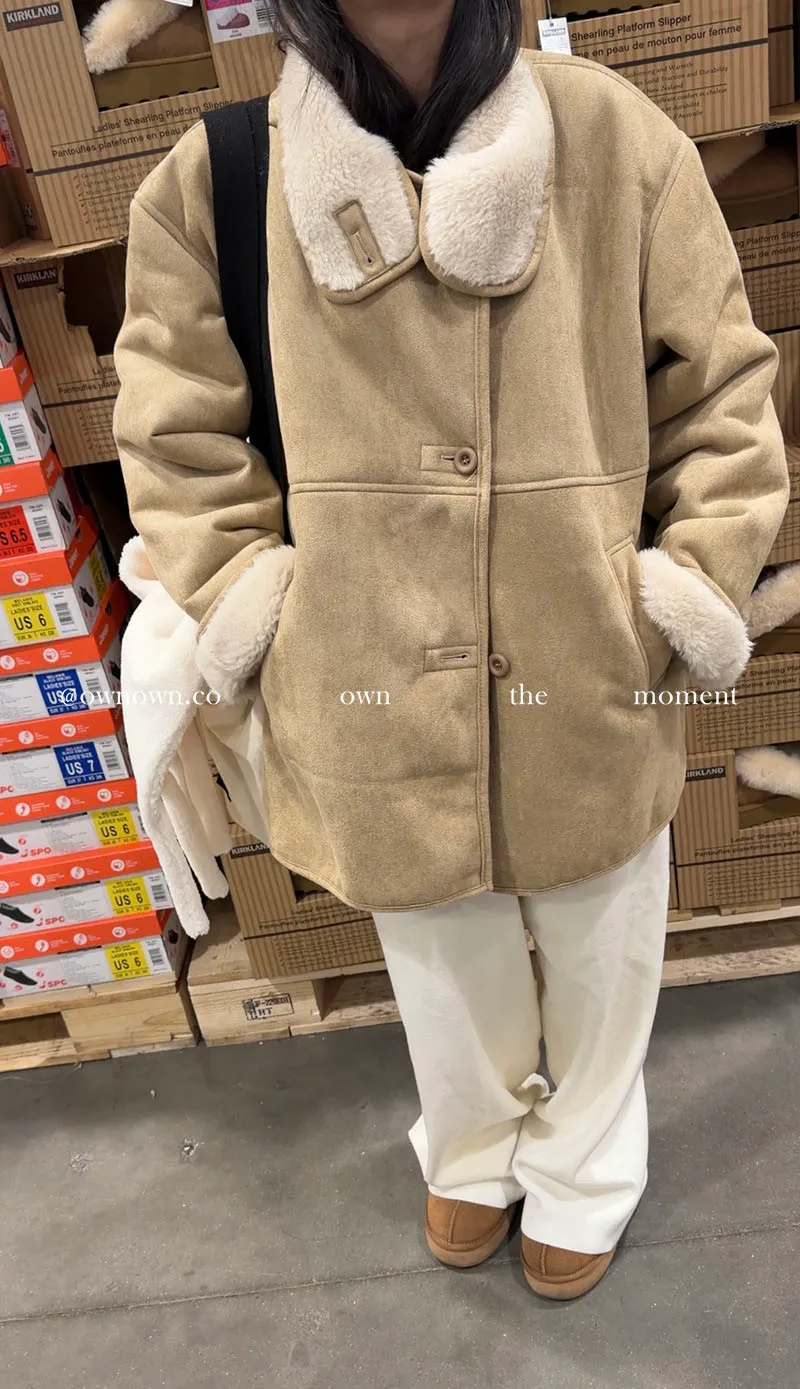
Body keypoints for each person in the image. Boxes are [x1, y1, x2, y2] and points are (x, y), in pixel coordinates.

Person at [114, 0, 789, 1301]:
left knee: (604, 930)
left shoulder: (612, 139)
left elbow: (721, 391)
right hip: (363, 667)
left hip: (585, 650)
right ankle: (475, 1144)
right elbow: (174, 441)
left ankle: (588, 1161)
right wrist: (258, 599)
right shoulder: (221, 178)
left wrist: (686, 582)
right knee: (434, 944)